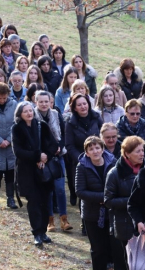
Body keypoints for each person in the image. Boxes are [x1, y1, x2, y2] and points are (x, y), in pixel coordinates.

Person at [76, 136, 130, 270]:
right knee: (98, 248)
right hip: (92, 214)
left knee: (117, 246)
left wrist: (109, 199)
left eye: (97, 147)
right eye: (91, 149)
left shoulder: (114, 163)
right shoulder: (82, 166)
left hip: (113, 212)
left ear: (102, 149)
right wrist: (103, 198)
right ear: (86, 152)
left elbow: (120, 184)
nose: (95, 151)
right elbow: (80, 191)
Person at [104, 135, 145, 270]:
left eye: (143, 151)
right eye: (138, 151)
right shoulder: (114, 173)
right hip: (125, 222)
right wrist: (132, 201)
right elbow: (108, 200)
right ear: (127, 153)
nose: (142, 154)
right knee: (132, 257)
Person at [11, 101, 58, 247]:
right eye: (25, 111)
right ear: (20, 114)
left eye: (30, 110)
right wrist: (37, 156)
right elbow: (18, 151)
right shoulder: (16, 129)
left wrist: (45, 157)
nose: (29, 113)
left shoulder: (41, 125)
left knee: (45, 201)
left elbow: (53, 145)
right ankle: (36, 232)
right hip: (27, 171)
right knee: (34, 202)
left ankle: (43, 231)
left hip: (43, 170)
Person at [34, 90, 73, 233]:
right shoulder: (32, 116)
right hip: (42, 159)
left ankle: (64, 219)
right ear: (36, 102)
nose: (44, 104)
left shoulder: (56, 114)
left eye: (47, 101)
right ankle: (50, 220)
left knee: (60, 189)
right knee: (48, 191)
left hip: (57, 157)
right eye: (41, 101)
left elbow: (63, 134)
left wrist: (60, 147)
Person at [65, 93, 103, 209]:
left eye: (84, 104)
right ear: (74, 108)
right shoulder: (70, 123)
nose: (83, 107)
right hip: (80, 160)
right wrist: (82, 159)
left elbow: (103, 137)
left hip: (98, 158)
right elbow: (69, 146)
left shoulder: (96, 117)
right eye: (79, 105)